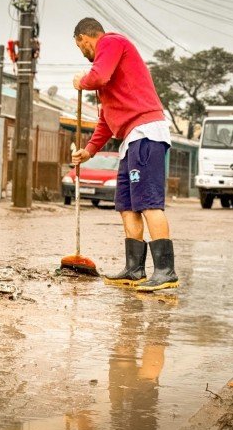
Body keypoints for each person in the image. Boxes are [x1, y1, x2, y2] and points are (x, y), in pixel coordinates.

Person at [71, 17, 178, 292]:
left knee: (149, 203)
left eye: (81, 47)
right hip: (130, 139)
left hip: (146, 133)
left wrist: (81, 81)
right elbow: (106, 119)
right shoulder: (107, 75)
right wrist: (90, 150)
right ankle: (134, 269)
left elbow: (96, 77)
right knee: (127, 206)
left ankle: (166, 272)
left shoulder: (111, 42)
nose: (83, 53)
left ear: (85, 38)